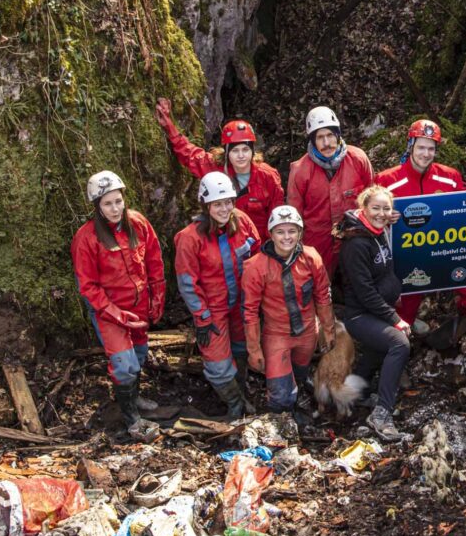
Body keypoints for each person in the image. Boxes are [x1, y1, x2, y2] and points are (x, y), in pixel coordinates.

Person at [375, 118, 466, 326]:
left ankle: (458, 316)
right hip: (408, 258)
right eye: (421, 147)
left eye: (431, 148)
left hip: (445, 252)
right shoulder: (387, 181)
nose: (425, 154)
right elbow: (367, 214)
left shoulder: (449, 176)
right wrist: (385, 218)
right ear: (410, 146)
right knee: (403, 316)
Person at [72, 170, 166, 440]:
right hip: (108, 311)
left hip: (138, 306)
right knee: (124, 366)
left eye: (118, 201)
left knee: (138, 356)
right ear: (97, 207)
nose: (114, 209)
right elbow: (88, 286)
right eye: (107, 203)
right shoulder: (86, 238)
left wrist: (157, 296)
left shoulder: (138, 223)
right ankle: (131, 418)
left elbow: (155, 261)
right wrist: (115, 313)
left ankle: (133, 398)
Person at [174, 172, 261, 419]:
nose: (224, 209)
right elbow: (187, 283)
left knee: (242, 350)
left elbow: (257, 257)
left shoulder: (242, 221)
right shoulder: (190, 238)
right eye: (217, 204)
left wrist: (258, 299)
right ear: (206, 205)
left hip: (241, 306)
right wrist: (202, 317)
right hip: (214, 310)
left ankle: (241, 396)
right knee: (218, 368)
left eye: (228, 202)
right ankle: (234, 404)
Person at [241, 205, 335, 418]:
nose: (286, 237)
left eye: (292, 231)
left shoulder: (311, 258)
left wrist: (328, 330)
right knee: (282, 396)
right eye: (280, 231)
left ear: (300, 233)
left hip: (307, 332)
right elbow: (250, 312)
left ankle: (299, 395)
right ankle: (279, 420)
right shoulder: (256, 267)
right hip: (277, 336)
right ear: (271, 233)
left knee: (300, 375)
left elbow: (323, 296)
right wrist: (254, 350)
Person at [334, 185, 409, 442]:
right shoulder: (356, 244)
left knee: (378, 349)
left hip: (374, 310)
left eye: (386, 208)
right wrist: (394, 319)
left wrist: (392, 292)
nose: (381, 213)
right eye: (375, 208)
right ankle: (382, 414)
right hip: (359, 315)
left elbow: (383, 273)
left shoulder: (377, 232)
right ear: (363, 208)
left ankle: (356, 395)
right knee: (399, 344)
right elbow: (364, 292)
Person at [155, 98, 284, 236]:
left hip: (257, 244)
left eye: (245, 150)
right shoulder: (215, 169)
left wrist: (268, 249)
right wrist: (169, 126)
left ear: (253, 151)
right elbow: (189, 153)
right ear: (227, 152)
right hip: (224, 243)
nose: (241, 156)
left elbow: (276, 215)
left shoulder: (268, 176)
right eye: (235, 151)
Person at [286, 105, 374, 276]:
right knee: (319, 291)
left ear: (338, 134)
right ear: (312, 140)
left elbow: (372, 197)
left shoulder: (358, 159)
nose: (326, 143)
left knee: (359, 285)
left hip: (354, 239)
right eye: (320, 137)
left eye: (330, 135)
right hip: (317, 244)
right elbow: (294, 214)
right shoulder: (300, 170)